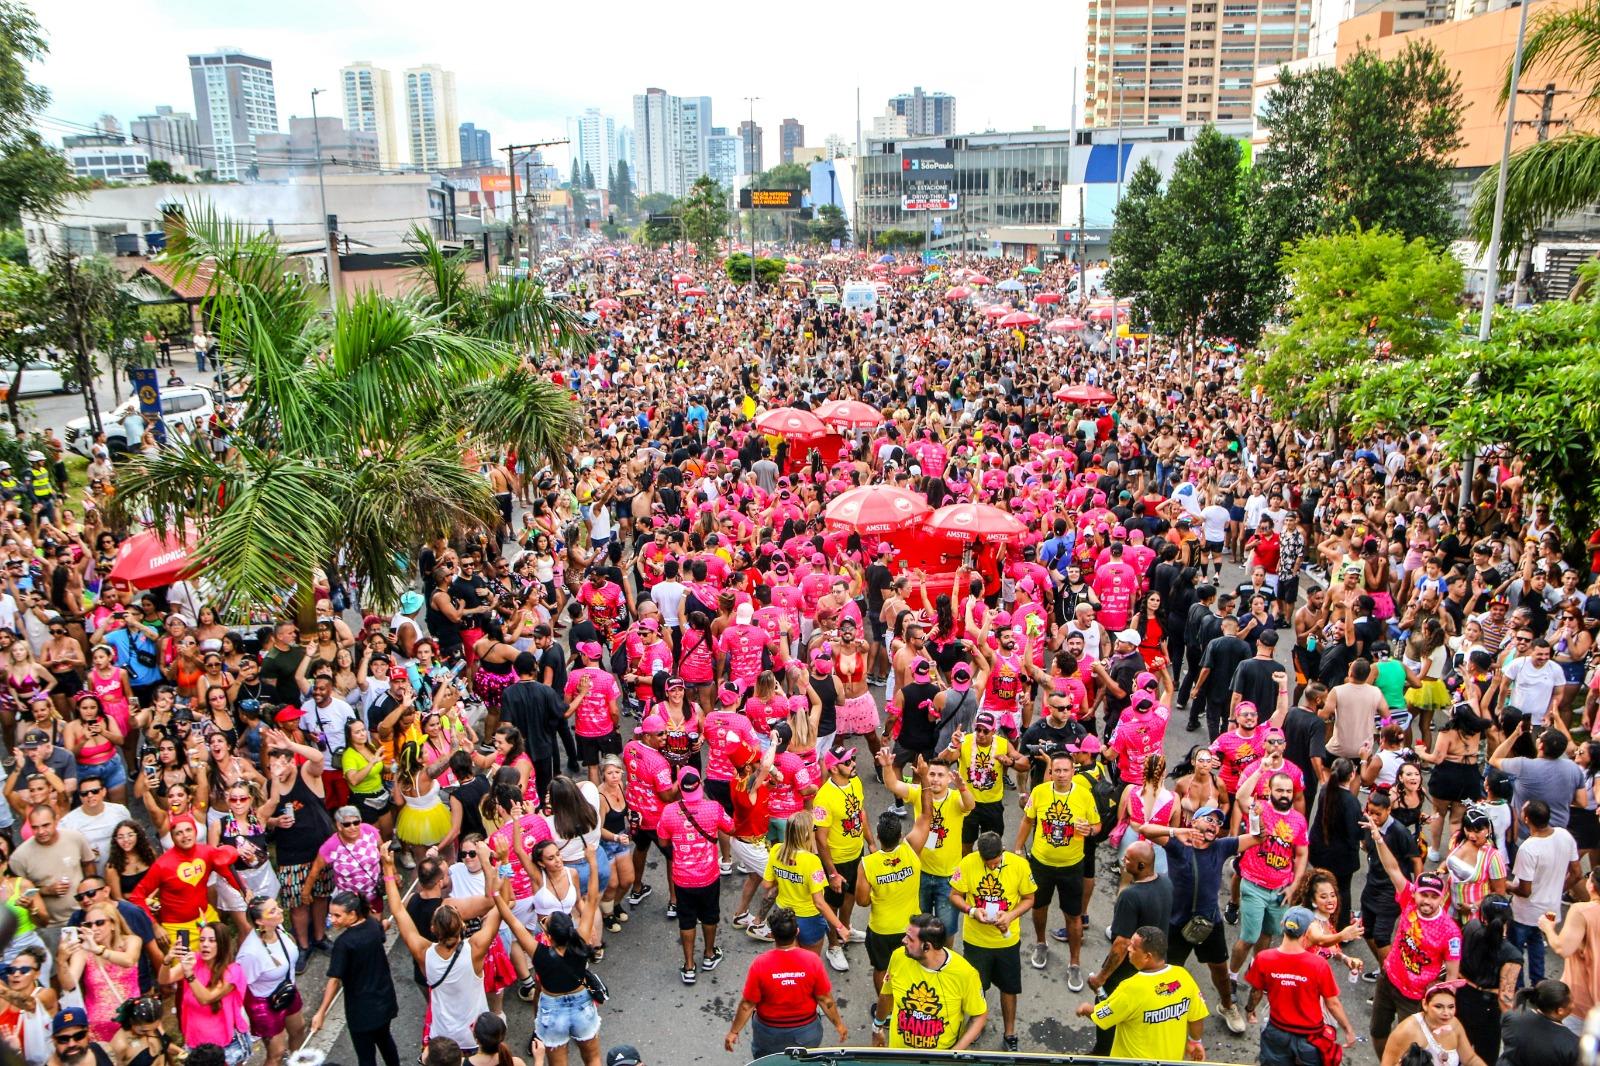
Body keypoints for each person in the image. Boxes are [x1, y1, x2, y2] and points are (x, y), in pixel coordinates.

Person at [1139, 805, 1252, 1034]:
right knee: (1168, 971)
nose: (1213, 824)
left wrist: (1258, 812)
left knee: (1220, 969)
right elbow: (1144, 829)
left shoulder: (1222, 846)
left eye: (1217, 822)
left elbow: (1257, 837)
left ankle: (1227, 1005)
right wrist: (1174, 832)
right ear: (1194, 822)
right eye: (1208, 819)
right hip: (1177, 922)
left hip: (1210, 922)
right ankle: (1160, 1010)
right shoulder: (1178, 844)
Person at [386, 841, 502, 1055]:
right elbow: (493, 902)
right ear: (462, 925)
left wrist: (387, 869)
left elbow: (397, 910)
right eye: (447, 875)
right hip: (471, 1032)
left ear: (434, 928)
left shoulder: (411, 905)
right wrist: (490, 862)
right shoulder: (472, 946)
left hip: (426, 978)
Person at [1364, 824, 1463, 1045]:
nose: (1427, 901)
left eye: (1433, 896)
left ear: (1441, 897)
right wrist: (1379, 840)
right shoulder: (1408, 897)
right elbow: (1392, 868)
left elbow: (1452, 978)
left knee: (1409, 1046)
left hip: (1415, 996)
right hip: (1388, 979)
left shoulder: (1450, 932)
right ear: (1416, 892)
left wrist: (1443, 1010)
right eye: (1423, 894)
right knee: (1377, 1032)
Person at [948, 830, 1036, 1052]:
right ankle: (977, 1024)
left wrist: (1010, 916)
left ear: (1003, 852)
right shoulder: (968, 863)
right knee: (978, 988)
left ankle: (1010, 1032)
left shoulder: (1019, 866)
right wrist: (972, 911)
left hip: (1007, 942)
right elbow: (954, 895)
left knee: (1009, 988)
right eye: (987, 863)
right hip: (976, 941)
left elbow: (1029, 898)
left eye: (995, 863)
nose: (991, 867)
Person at [1085, 839, 1173, 1055]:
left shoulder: (1130, 896)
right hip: (1154, 966)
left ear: (1141, 866)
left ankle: (1103, 1052)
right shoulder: (1166, 883)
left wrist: (1102, 977)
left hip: (1128, 971)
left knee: (1107, 1005)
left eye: (1127, 859)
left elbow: (1121, 944)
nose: (1123, 862)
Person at [724, 906, 848, 1058]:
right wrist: (838, 1025)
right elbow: (825, 999)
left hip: (769, 1032)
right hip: (806, 1032)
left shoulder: (760, 964)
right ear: (797, 932)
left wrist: (733, 1032)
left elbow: (747, 1005)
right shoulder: (812, 961)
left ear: (772, 935)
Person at [1075, 925, 1209, 1062]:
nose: (1128, 949)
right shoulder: (1183, 976)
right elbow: (1196, 1016)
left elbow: (1103, 1016)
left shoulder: (1131, 988)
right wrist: (1195, 1041)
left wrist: (1085, 1009)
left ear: (1147, 956)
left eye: (1133, 947)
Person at [1242, 907, 1357, 1064]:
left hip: (1277, 1032)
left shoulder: (1264, 958)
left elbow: (1256, 991)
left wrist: (1250, 1010)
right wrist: (1348, 1029)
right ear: (1308, 931)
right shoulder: (1318, 965)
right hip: (1310, 1037)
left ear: (1283, 924)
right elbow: (1333, 1003)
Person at [655, 766, 732, 983]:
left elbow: (662, 841)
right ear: (700, 785)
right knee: (710, 915)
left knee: (686, 921)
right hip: (708, 876)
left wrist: (677, 854)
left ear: (679, 787)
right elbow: (731, 826)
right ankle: (709, 954)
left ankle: (689, 966)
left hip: (682, 878)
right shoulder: (714, 808)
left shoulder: (669, 811)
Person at [308, 891, 400, 1066]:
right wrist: (385, 924)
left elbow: (334, 979)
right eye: (331, 915)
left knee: (366, 1056)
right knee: (385, 1040)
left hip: (361, 1009)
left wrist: (321, 1012)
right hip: (384, 999)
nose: (332, 920)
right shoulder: (372, 925)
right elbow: (382, 930)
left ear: (352, 914)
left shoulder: (344, 943)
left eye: (337, 915)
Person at [871, 914, 987, 1051]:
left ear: (927, 946)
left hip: (940, 1058)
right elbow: (887, 994)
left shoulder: (965, 974)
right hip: (900, 1053)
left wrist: (955, 1052)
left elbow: (979, 1015)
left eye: (910, 939)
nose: (903, 941)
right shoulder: (898, 956)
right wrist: (877, 1027)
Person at [1509, 798, 1584, 986]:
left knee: (1515, 952)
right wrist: (1558, 890)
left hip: (1524, 912)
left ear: (1526, 819)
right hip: (1550, 910)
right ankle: (1539, 985)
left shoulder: (1528, 849)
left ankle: (1518, 989)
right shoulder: (1564, 835)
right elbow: (1577, 873)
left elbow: (1525, 890)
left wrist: (1506, 885)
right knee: (1537, 945)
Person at [1378, 982, 1489, 1066]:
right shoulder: (1406, 1031)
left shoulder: (1454, 1024)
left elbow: (1470, 1059)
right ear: (1425, 1004)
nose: (1446, 1013)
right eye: (1438, 1006)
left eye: (1451, 1007)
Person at [1498, 980, 1581, 1065]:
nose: (1573, 1005)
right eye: (1571, 1001)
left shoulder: (1512, 1017)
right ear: (1560, 1011)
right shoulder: (1572, 1045)